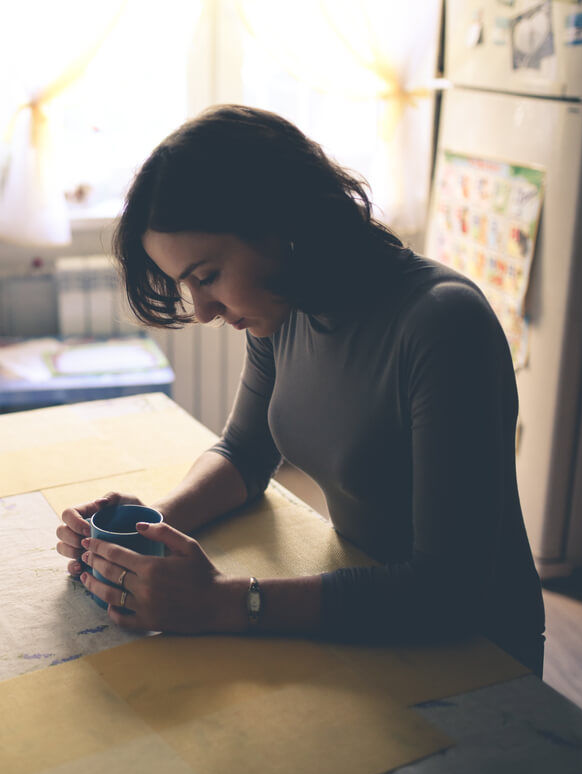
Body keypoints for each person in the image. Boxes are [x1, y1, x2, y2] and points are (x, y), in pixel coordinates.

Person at [54, 105, 546, 675]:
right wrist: (148, 530)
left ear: (281, 225)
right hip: (363, 614)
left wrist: (224, 602)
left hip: (473, 650)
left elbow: (446, 593)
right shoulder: (287, 305)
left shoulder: (442, 324)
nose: (204, 310)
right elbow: (244, 454)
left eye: (207, 276)